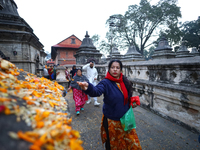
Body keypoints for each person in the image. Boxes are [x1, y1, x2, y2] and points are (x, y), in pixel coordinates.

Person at [77, 60, 142, 150]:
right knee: (112, 145)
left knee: (129, 144)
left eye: (117, 68)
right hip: (112, 121)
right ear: (109, 69)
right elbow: (96, 91)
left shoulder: (124, 81)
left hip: (125, 120)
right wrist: (88, 87)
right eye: (112, 67)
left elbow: (125, 97)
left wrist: (131, 103)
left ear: (121, 70)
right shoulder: (106, 82)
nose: (115, 70)